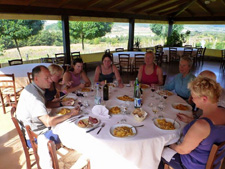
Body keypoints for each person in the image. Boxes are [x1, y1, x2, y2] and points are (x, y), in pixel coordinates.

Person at [158, 76, 225, 169]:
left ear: (204, 99)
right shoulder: (221, 112)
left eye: (193, 97)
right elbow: (209, 132)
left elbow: (182, 150)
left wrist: (169, 145)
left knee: (157, 152)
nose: (191, 100)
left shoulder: (201, 125)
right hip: (213, 162)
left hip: (192, 165)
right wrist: (191, 120)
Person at [16, 65, 80, 147]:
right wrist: (70, 114)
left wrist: (61, 103)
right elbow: (48, 122)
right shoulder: (35, 97)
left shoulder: (34, 88)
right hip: (36, 137)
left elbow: (46, 104)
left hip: (36, 129)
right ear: (36, 79)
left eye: (50, 77)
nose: (50, 80)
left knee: (67, 121)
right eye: (46, 78)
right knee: (73, 128)